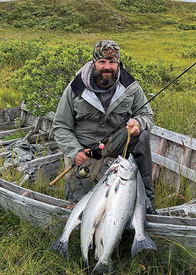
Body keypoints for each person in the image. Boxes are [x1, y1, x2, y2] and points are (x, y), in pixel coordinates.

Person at [52, 40, 157, 214]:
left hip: (116, 140)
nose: (107, 67)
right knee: (77, 204)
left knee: (142, 136)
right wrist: (74, 151)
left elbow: (147, 115)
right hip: (86, 148)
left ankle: (146, 203)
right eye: (102, 62)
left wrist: (139, 123)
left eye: (112, 62)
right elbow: (61, 126)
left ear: (118, 64)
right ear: (94, 63)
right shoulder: (76, 88)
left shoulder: (130, 86)